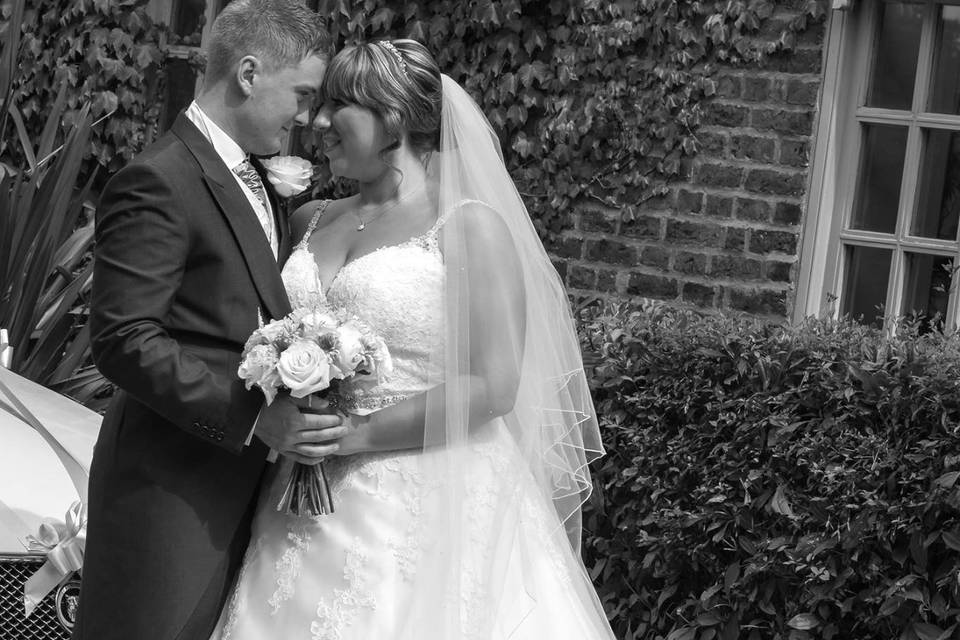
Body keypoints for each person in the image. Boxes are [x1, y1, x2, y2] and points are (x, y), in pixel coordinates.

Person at [209, 39, 616, 639]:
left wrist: (356, 435)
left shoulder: (470, 225)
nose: (317, 123)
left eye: (339, 105)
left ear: (393, 116)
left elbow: (495, 386)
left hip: (425, 502)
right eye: (318, 104)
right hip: (295, 499)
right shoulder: (309, 218)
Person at [74, 2, 345, 639]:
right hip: (169, 492)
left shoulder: (246, 174)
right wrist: (253, 416)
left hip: (243, 493)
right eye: (302, 95)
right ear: (248, 73)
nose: (306, 118)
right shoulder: (159, 180)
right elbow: (122, 338)